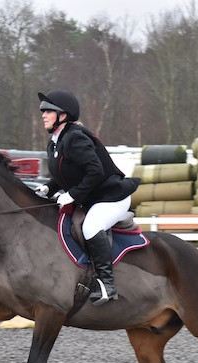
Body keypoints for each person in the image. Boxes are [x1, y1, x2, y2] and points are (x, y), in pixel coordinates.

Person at [36, 89, 140, 306]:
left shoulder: (74, 137)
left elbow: (95, 171)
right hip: (93, 198)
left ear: (63, 115)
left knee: (90, 228)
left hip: (112, 197)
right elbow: (66, 174)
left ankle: (106, 284)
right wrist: (48, 189)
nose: (43, 115)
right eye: (42, 111)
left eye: (48, 111)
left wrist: (72, 195)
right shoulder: (56, 141)